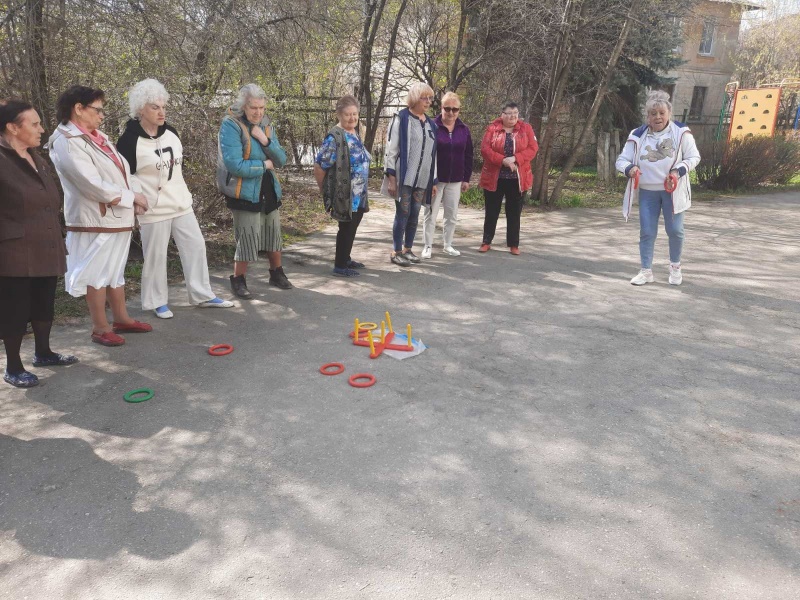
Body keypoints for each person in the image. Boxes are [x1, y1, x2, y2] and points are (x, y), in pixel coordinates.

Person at [117, 79, 233, 319]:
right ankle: (156, 301)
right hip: (153, 209)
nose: (161, 112)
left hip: (181, 203)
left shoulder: (172, 133)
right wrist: (138, 199)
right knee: (156, 256)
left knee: (195, 246)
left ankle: (202, 294)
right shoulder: (129, 140)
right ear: (140, 109)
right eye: (154, 107)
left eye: (163, 106)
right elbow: (124, 176)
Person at [48, 85, 152, 347]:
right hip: (93, 220)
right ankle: (100, 327)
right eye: (97, 109)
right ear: (78, 109)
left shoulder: (97, 137)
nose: (102, 115)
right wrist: (130, 198)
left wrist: (136, 197)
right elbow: (90, 184)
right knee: (96, 273)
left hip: (116, 217)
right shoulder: (67, 142)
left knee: (114, 272)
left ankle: (121, 319)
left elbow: (122, 172)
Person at [0, 100, 77, 387]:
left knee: (44, 302)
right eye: (33, 124)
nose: (41, 129)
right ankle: (14, 366)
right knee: (15, 309)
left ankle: (43, 353)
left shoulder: (35, 156)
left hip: (45, 242)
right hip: (13, 250)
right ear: (12, 127)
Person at [616, 90, 701, 286]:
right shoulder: (637, 135)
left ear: (669, 114)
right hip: (648, 192)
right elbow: (622, 160)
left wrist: (677, 171)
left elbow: (694, 157)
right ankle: (646, 271)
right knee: (647, 231)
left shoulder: (681, 132)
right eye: (653, 114)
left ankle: (675, 268)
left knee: (675, 231)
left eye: (662, 113)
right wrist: (630, 168)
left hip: (673, 190)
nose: (658, 117)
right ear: (647, 117)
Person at [217, 84, 291, 297]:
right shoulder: (230, 125)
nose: (258, 112)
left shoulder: (266, 125)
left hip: (268, 187)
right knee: (247, 236)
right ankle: (238, 280)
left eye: (261, 107)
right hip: (244, 190)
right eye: (253, 108)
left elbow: (282, 159)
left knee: (273, 232)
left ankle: (276, 273)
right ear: (243, 106)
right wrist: (265, 165)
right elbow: (235, 165)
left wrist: (264, 140)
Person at [313, 95, 371, 277]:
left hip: (359, 192)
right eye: (347, 115)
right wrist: (324, 190)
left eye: (354, 114)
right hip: (345, 193)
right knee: (346, 227)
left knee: (352, 225)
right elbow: (320, 165)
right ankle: (339, 266)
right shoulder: (335, 137)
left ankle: (345, 258)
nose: (352, 118)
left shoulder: (354, 131)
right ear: (339, 114)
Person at [381, 82, 438, 267]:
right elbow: (391, 149)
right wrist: (391, 178)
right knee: (403, 212)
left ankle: (408, 249)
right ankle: (396, 251)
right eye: (425, 98)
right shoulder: (401, 118)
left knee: (415, 213)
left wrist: (434, 181)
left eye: (430, 98)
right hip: (405, 176)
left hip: (422, 178)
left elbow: (432, 154)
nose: (428, 102)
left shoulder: (431, 124)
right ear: (414, 98)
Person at [478, 102, 539, 255]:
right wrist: (503, 160)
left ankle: (514, 244)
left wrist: (516, 158)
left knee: (514, 212)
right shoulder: (492, 128)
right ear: (502, 114)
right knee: (491, 211)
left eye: (515, 113)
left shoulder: (526, 129)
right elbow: (485, 149)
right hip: (495, 177)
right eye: (509, 113)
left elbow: (533, 148)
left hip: (517, 178)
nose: (513, 116)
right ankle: (486, 241)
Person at [421, 91, 473, 258]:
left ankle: (448, 244)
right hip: (436, 179)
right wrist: (430, 179)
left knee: (451, 215)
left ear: (459, 110)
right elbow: (427, 154)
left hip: (456, 179)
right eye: (447, 108)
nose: (451, 112)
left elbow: (468, 155)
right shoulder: (432, 126)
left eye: (455, 109)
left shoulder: (464, 130)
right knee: (431, 213)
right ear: (441, 107)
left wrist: (466, 178)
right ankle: (427, 245)